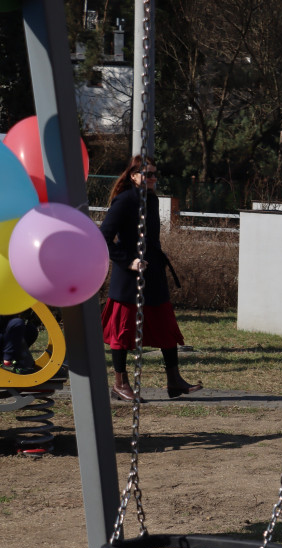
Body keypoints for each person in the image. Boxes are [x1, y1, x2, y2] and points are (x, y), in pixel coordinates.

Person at [100, 155, 201, 402]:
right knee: (123, 332)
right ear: (133, 176)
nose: (153, 178)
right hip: (128, 278)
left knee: (166, 326)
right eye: (148, 174)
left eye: (155, 174)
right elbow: (103, 238)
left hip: (153, 274)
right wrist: (129, 261)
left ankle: (174, 380)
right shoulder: (124, 200)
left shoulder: (152, 200)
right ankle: (120, 384)